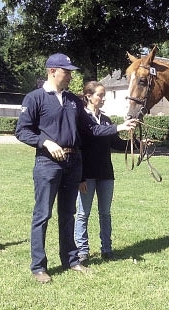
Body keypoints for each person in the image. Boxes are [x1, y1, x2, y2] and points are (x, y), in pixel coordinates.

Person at [15, 53, 138, 283]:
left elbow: (92, 130)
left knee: (68, 214)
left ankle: (71, 260)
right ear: (53, 71)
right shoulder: (35, 98)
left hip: (73, 163)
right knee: (42, 215)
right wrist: (46, 142)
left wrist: (120, 127)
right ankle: (39, 267)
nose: (71, 76)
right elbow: (22, 131)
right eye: (67, 71)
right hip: (47, 163)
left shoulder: (73, 100)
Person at [74, 81, 132, 263]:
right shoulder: (81, 118)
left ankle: (107, 249)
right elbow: (94, 132)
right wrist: (80, 177)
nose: (103, 98)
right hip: (87, 174)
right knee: (83, 213)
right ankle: (82, 251)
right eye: (100, 94)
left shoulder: (105, 119)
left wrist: (137, 143)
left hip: (106, 174)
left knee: (105, 213)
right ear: (89, 96)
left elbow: (114, 142)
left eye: (104, 94)